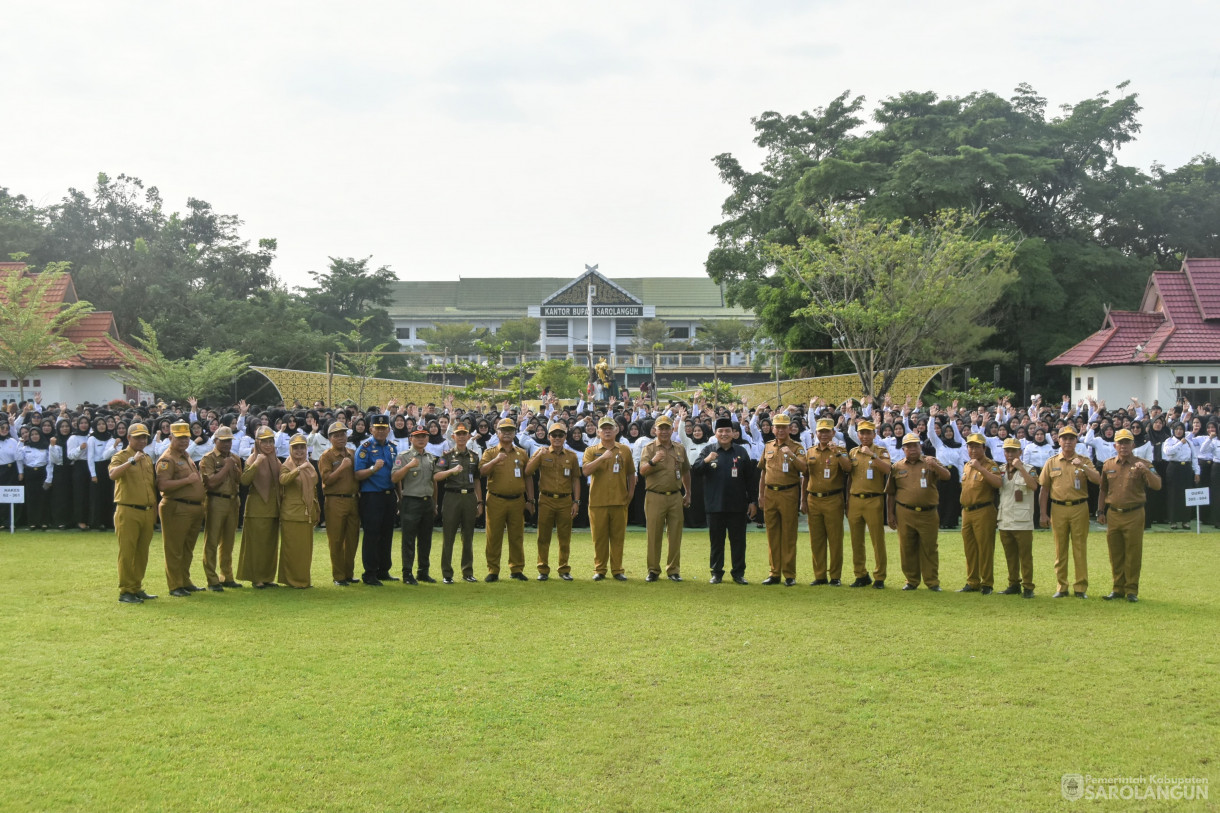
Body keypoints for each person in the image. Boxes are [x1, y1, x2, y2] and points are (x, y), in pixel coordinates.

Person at [1097, 428, 1162, 603]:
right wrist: (1100, 511)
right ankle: (1117, 588)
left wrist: (1146, 471)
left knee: (1133, 552)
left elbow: (1157, 485)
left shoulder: (1143, 463)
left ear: (1133, 445)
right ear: (1115, 445)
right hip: (1114, 513)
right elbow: (1103, 489)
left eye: (1127, 443)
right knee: (1115, 552)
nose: (1124, 446)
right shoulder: (1108, 464)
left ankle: (1131, 590)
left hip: (1134, 513)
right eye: (1120, 443)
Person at [691, 417, 757, 584]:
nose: (724, 434)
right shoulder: (708, 450)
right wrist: (707, 460)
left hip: (737, 505)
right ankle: (717, 573)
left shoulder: (741, 452)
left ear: (733, 433)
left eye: (727, 431)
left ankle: (738, 573)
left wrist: (752, 501)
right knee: (716, 541)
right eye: (720, 431)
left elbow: (750, 479)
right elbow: (696, 470)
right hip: (715, 505)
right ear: (715, 433)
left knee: (738, 541)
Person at [1038, 426, 1100, 598]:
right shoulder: (1052, 462)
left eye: (1071, 438)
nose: (1067, 442)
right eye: (1064, 438)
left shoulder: (1083, 460)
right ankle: (1061, 587)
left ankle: (1080, 588)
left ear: (1076, 441)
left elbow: (1098, 479)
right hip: (1057, 508)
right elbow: (1044, 489)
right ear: (1059, 441)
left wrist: (1084, 467)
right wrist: (1043, 514)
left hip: (1079, 507)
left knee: (1080, 548)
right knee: (1060, 549)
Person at [886, 433, 950, 591]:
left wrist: (935, 466)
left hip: (928, 513)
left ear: (920, 447)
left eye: (915, 445)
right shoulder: (897, 467)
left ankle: (932, 581)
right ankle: (911, 580)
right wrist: (890, 514)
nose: (912, 449)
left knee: (929, 548)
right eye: (908, 446)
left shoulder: (930, 461)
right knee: (907, 547)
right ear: (903, 449)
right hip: (905, 512)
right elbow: (891, 493)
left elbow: (947, 476)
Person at [638, 415, 691, 582]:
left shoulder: (679, 448)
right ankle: (653, 570)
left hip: (675, 496)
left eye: (667, 428)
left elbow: (685, 471)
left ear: (672, 429)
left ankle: (673, 570)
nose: (664, 431)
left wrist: (688, 492)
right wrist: (654, 461)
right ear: (655, 430)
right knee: (654, 534)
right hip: (655, 496)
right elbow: (642, 471)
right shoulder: (649, 448)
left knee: (675, 534)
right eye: (661, 428)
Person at [156, 421, 206, 597]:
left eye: (186, 437)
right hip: (176, 507)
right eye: (180, 438)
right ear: (171, 438)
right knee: (174, 548)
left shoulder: (185, 456)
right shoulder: (167, 459)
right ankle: (175, 585)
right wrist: (187, 481)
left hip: (193, 509)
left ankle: (185, 580)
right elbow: (162, 484)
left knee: (187, 548)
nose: (184, 441)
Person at [109, 422, 157, 604]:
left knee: (142, 552)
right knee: (127, 552)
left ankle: (136, 586)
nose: (142, 440)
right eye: (138, 437)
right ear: (128, 438)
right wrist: (131, 461)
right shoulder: (122, 456)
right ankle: (126, 591)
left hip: (146, 511)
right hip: (127, 509)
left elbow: (150, 486)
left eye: (144, 437)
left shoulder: (146, 458)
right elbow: (112, 474)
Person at [525, 422, 580, 581]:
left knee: (564, 537)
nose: (557, 438)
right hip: (546, 499)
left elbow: (576, 479)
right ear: (549, 437)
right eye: (554, 435)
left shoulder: (571, 456)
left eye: (560, 435)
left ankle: (564, 569)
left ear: (565, 437)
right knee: (543, 536)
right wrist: (537, 455)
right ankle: (543, 569)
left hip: (565, 500)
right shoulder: (542, 453)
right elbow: (528, 471)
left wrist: (576, 501)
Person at [582, 416, 635, 581]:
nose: (607, 431)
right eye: (603, 428)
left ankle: (618, 570)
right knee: (599, 538)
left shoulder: (624, 450)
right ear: (598, 432)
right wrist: (602, 458)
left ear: (616, 430)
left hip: (619, 501)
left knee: (618, 538)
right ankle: (600, 569)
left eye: (610, 428)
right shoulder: (591, 451)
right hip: (598, 502)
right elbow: (585, 471)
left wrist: (630, 493)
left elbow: (631, 473)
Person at [757, 412, 806, 586]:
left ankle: (789, 574)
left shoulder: (797, 447)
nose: (780, 430)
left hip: (788, 493)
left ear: (790, 429)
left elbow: (805, 469)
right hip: (770, 494)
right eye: (777, 427)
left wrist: (791, 455)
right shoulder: (768, 446)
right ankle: (774, 572)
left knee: (789, 534)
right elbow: (763, 471)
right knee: (772, 535)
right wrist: (760, 495)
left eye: (784, 427)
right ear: (772, 428)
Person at [481, 418, 532, 581]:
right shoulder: (490, 452)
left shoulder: (522, 453)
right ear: (497, 433)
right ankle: (493, 570)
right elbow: (482, 471)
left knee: (517, 535)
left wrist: (530, 499)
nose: (508, 433)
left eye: (511, 430)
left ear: (515, 433)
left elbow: (528, 477)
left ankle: (516, 568)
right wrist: (496, 460)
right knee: (494, 536)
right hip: (496, 499)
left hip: (517, 500)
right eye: (504, 430)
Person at [801, 417, 851, 586]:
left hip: (833, 499)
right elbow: (806, 476)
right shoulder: (810, 451)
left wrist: (836, 451)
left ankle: (835, 576)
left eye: (827, 431)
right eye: (821, 431)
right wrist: (803, 500)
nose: (824, 435)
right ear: (816, 433)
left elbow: (848, 468)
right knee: (816, 539)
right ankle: (820, 575)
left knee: (835, 539)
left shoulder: (841, 449)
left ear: (833, 433)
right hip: (813, 498)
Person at [845, 419, 891, 588]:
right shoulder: (853, 452)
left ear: (874, 434)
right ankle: (861, 574)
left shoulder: (881, 451)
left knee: (877, 540)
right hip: (855, 499)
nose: (864, 436)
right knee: (856, 540)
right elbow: (850, 477)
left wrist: (873, 456)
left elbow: (888, 470)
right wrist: (847, 500)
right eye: (862, 433)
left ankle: (879, 576)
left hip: (874, 499)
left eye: (868, 433)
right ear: (858, 434)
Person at [956, 433, 1003, 595]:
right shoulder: (967, 465)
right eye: (970, 446)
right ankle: (972, 581)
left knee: (985, 548)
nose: (973, 449)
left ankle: (987, 583)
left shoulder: (990, 465)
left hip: (984, 510)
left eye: (977, 446)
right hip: (967, 511)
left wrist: (981, 469)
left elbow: (998, 483)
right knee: (970, 548)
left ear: (984, 448)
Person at [355, 414, 399, 586]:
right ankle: (370, 572)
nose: (381, 431)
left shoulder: (392, 447)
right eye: (377, 428)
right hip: (372, 496)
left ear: (389, 429)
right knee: (372, 535)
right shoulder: (364, 448)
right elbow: (358, 474)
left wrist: (399, 497)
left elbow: (395, 475)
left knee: (387, 534)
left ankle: (383, 570)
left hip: (389, 495)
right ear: (371, 429)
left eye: (384, 428)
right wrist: (373, 468)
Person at [391, 427, 438, 585]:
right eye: (417, 436)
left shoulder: (431, 457)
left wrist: (435, 503)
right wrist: (408, 466)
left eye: (424, 436)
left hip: (427, 502)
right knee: (409, 539)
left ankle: (423, 571)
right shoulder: (403, 457)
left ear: (428, 439)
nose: (421, 439)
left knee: (426, 539)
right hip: (411, 501)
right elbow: (394, 477)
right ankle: (407, 573)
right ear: (411, 438)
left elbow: (434, 482)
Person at [237, 426, 282, 589]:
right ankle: (256, 577)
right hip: (256, 508)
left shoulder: (275, 460)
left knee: (270, 544)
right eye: (265, 442)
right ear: (257, 443)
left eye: (271, 442)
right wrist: (256, 463)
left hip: (273, 507)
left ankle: (268, 576)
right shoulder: (252, 458)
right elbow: (244, 480)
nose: (268, 445)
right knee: (256, 544)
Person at [200, 426, 243, 590]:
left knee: (228, 542)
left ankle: (227, 576)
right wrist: (226, 467)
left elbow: (240, 480)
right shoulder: (208, 459)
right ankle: (212, 579)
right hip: (215, 500)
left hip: (233, 501)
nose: (227, 444)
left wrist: (235, 468)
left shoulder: (235, 458)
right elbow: (210, 483)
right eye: (223, 441)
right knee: (212, 541)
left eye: (229, 441)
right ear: (215, 441)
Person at [319, 421, 360, 586]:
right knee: (336, 539)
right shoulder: (327, 456)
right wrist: (342, 467)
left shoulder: (352, 453)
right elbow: (326, 480)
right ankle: (338, 576)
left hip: (352, 499)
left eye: (343, 434)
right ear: (330, 438)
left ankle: (349, 573)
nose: (341, 438)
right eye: (336, 435)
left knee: (352, 538)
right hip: (335, 499)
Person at [996, 437, 1038, 598]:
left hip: (1023, 521)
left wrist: (1021, 469)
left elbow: (1034, 486)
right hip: (1005, 518)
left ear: (1020, 452)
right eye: (1007, 450)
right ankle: (1013, 583)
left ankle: (1028, 586)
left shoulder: (1029, 468)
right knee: (1010, 555)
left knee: (1025, 555)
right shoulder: (999, 470)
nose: (1010, 454)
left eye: (1013, 450)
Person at [277, 434, 319, 588]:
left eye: (302, 447)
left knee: (304, 551)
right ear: (290, 449)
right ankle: (292, 580)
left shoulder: (309, 465)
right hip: (292, 514)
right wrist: (299, 469)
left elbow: (314, 482)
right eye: (296, 448)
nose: (299, 451)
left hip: (306, 513)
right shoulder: (287, 465)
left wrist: (306, 467)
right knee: (292, 549)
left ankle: (303, 579)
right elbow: (283, 480)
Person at [1161, 421, 1199, 530]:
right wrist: (1180, 443)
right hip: (1174, 468)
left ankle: (1185, 520)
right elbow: (1168, 452)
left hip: (1186, 468)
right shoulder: (1169, 441)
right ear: (1173, 430)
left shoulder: (1188, 442)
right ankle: (1173, 520)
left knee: (1186, 494)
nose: (1179, 431)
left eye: (1181, 429)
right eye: (1177, 429)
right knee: (1173, 494)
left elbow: (1194, 457)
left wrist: (1197, 472)